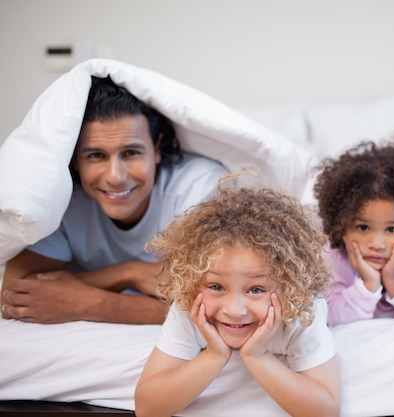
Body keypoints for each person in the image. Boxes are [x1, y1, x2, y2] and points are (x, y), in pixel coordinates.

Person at [1, 76, 227, 324]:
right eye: (96, 155)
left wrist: (96, 305)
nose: (115, 177)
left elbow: (224, 303)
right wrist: (128, 272)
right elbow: (14, 295)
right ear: (75, 159)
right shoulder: (62, 199)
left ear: (157, 148)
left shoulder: (200, 189)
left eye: (131, 153)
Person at [134, 179, 340, 417]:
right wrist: (214, 355)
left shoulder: (302, 312)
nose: (234, 310)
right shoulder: (190, 306)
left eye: (256, 290)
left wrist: (257, 356)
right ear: (192, 281)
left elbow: (326, 411)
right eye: (216, 286)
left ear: (289, 286)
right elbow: (147, 407)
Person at [313, 138, 394, 326]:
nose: (377, 244)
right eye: (363, 227)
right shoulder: (335, 256)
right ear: (341, 225)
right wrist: (368, 284)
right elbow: (329, 315)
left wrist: (393, 278)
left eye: (392, 229)